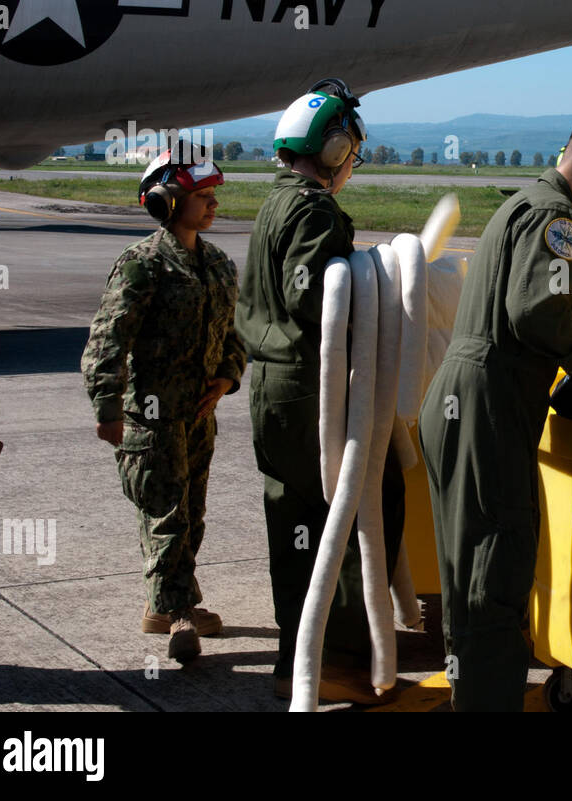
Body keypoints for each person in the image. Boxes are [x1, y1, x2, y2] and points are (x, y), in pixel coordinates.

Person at [418, 105, 572, 711]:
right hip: (488, 408)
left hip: (467, 401)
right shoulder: (556, 219)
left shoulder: (526, 206)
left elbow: (557, 301)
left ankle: (475, 695)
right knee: (494, 575)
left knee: (470, 576)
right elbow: (537, 311)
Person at [234, 77, 406, 704]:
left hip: (275, 389)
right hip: (313, 387)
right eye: (350, 151)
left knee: (295, 521)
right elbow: (316, 296)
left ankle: (296, 659)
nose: (351, 164)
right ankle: (342, 663)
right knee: (365, 507)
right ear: (334, 149)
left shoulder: (275, 201)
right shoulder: (312, 209)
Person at [81, 144, 245, 663]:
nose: (213, 203)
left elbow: (233, 335)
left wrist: (226, 379)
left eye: (214, 193)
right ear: (165, 202)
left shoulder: (218, 263)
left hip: (199, 417)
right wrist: (108, 408)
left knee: (192, 515)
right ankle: (175, 613)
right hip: (150, 418)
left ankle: (169, 601)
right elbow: (108, 341)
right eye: (201, 195)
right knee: (165, 515)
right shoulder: (142, 264)